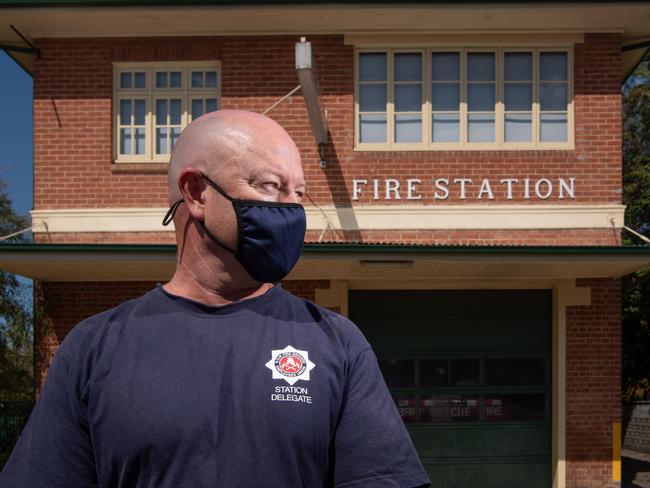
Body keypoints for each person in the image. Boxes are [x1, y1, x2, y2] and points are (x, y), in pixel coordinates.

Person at [0, 110, 430, 488]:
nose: (292, 210)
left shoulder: (337, 343)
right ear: (197, 192)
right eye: (270, 186)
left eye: (298, 193)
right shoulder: (93, 348)